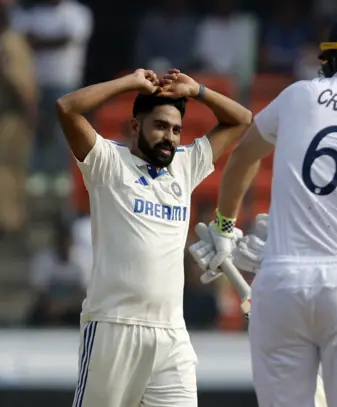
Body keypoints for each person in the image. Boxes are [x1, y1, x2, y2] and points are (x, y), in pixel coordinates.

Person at [190, 9, 337, 407]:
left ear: (332, 58)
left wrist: (227, 227)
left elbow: (243, 157)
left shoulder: (301, 94)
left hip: (279, 282)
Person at [55, 68, 252, 407]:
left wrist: (197, 90)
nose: (170, 137)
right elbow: (66, 107)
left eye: (176, 130)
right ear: (135, 126)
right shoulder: (107, 162)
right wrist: (130, 83)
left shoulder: (185, 166)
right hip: (114, 327)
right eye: (160, 126)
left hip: (171, 334)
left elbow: (242, 119)